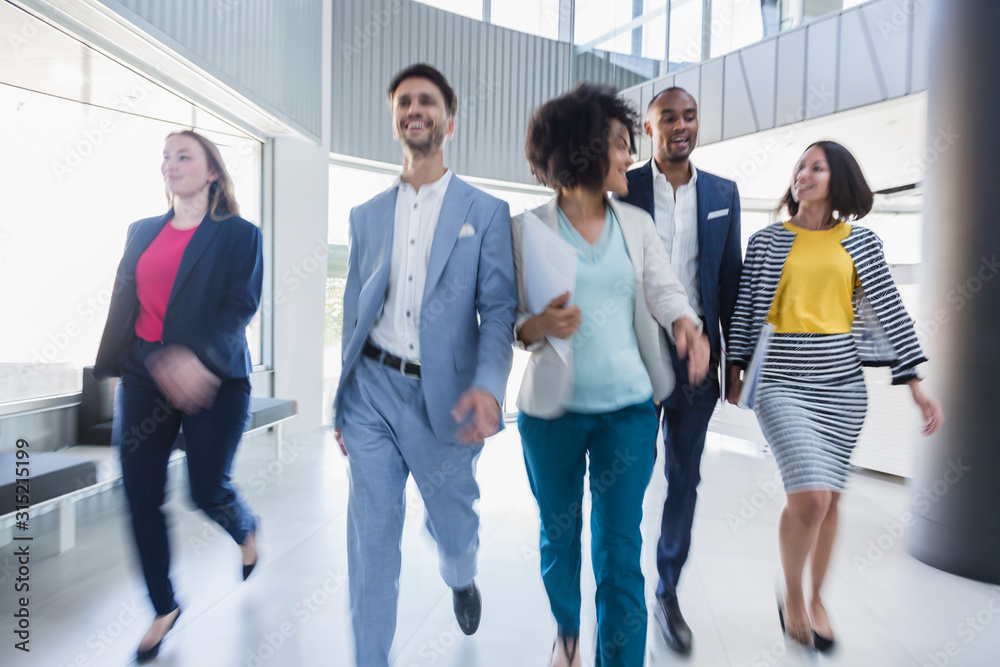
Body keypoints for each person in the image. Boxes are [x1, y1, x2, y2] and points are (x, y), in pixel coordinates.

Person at [512, 83, 710, 667]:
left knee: (620, 549)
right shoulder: (527, 230)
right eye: (621, 145)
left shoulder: (637, 224)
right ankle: (568, 631)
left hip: (627, 411)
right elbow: (507, 323)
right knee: (559, 536)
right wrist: (539, 323)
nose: (630, 157)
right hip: (552, 416)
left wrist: (686, 325)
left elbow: (665, 288)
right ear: (584, 150)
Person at [726, 140, 945, 651]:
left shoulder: (862, 242)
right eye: (799, 166)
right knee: (811, 497)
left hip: (843, 386)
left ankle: (818, 597)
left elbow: (890, 312)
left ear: (837, 179)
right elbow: (746, 307)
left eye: (816, 167)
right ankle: (793, 595)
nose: (803, 174)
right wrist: (734, 369)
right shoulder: (765, 241)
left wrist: (916, 386)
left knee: (831, 501)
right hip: (781, 379)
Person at [332, 63, 517, 667]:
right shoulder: (365, 216)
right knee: (373, 540)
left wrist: (491, 388)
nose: (415, 109)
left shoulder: (485, 211)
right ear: (395, 121)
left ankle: (460, 574)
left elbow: (498, 310)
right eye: (405, 102)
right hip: (371, 396)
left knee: (454, 525)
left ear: (450, 120)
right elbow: (354, 308)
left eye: (427, 101)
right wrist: (343, 399)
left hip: (448, 402)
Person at [93, 130, 263, 663]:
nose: (171, 163)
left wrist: (197, 358)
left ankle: (243, 525)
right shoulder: (141, 230)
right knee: (140, 494)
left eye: (183, 155)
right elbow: (124, 302)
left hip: (214, 376)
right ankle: (163, 606)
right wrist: (120, 366)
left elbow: (240, 307)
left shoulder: (239, 234)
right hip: (145, 376)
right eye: (165, 156)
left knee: (206, 489)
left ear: (212, 171)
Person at [617, 86, 742, 654]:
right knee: (628, 477)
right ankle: (623, 588)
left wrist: (732, 362)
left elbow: (730, 284)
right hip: (634, 355)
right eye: (669, 117)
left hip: (698, 361)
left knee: (684, 478)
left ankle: (667, 589)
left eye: (690, 115)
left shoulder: (722, 193)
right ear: (649, 129)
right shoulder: (624, 186)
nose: (682, 125)